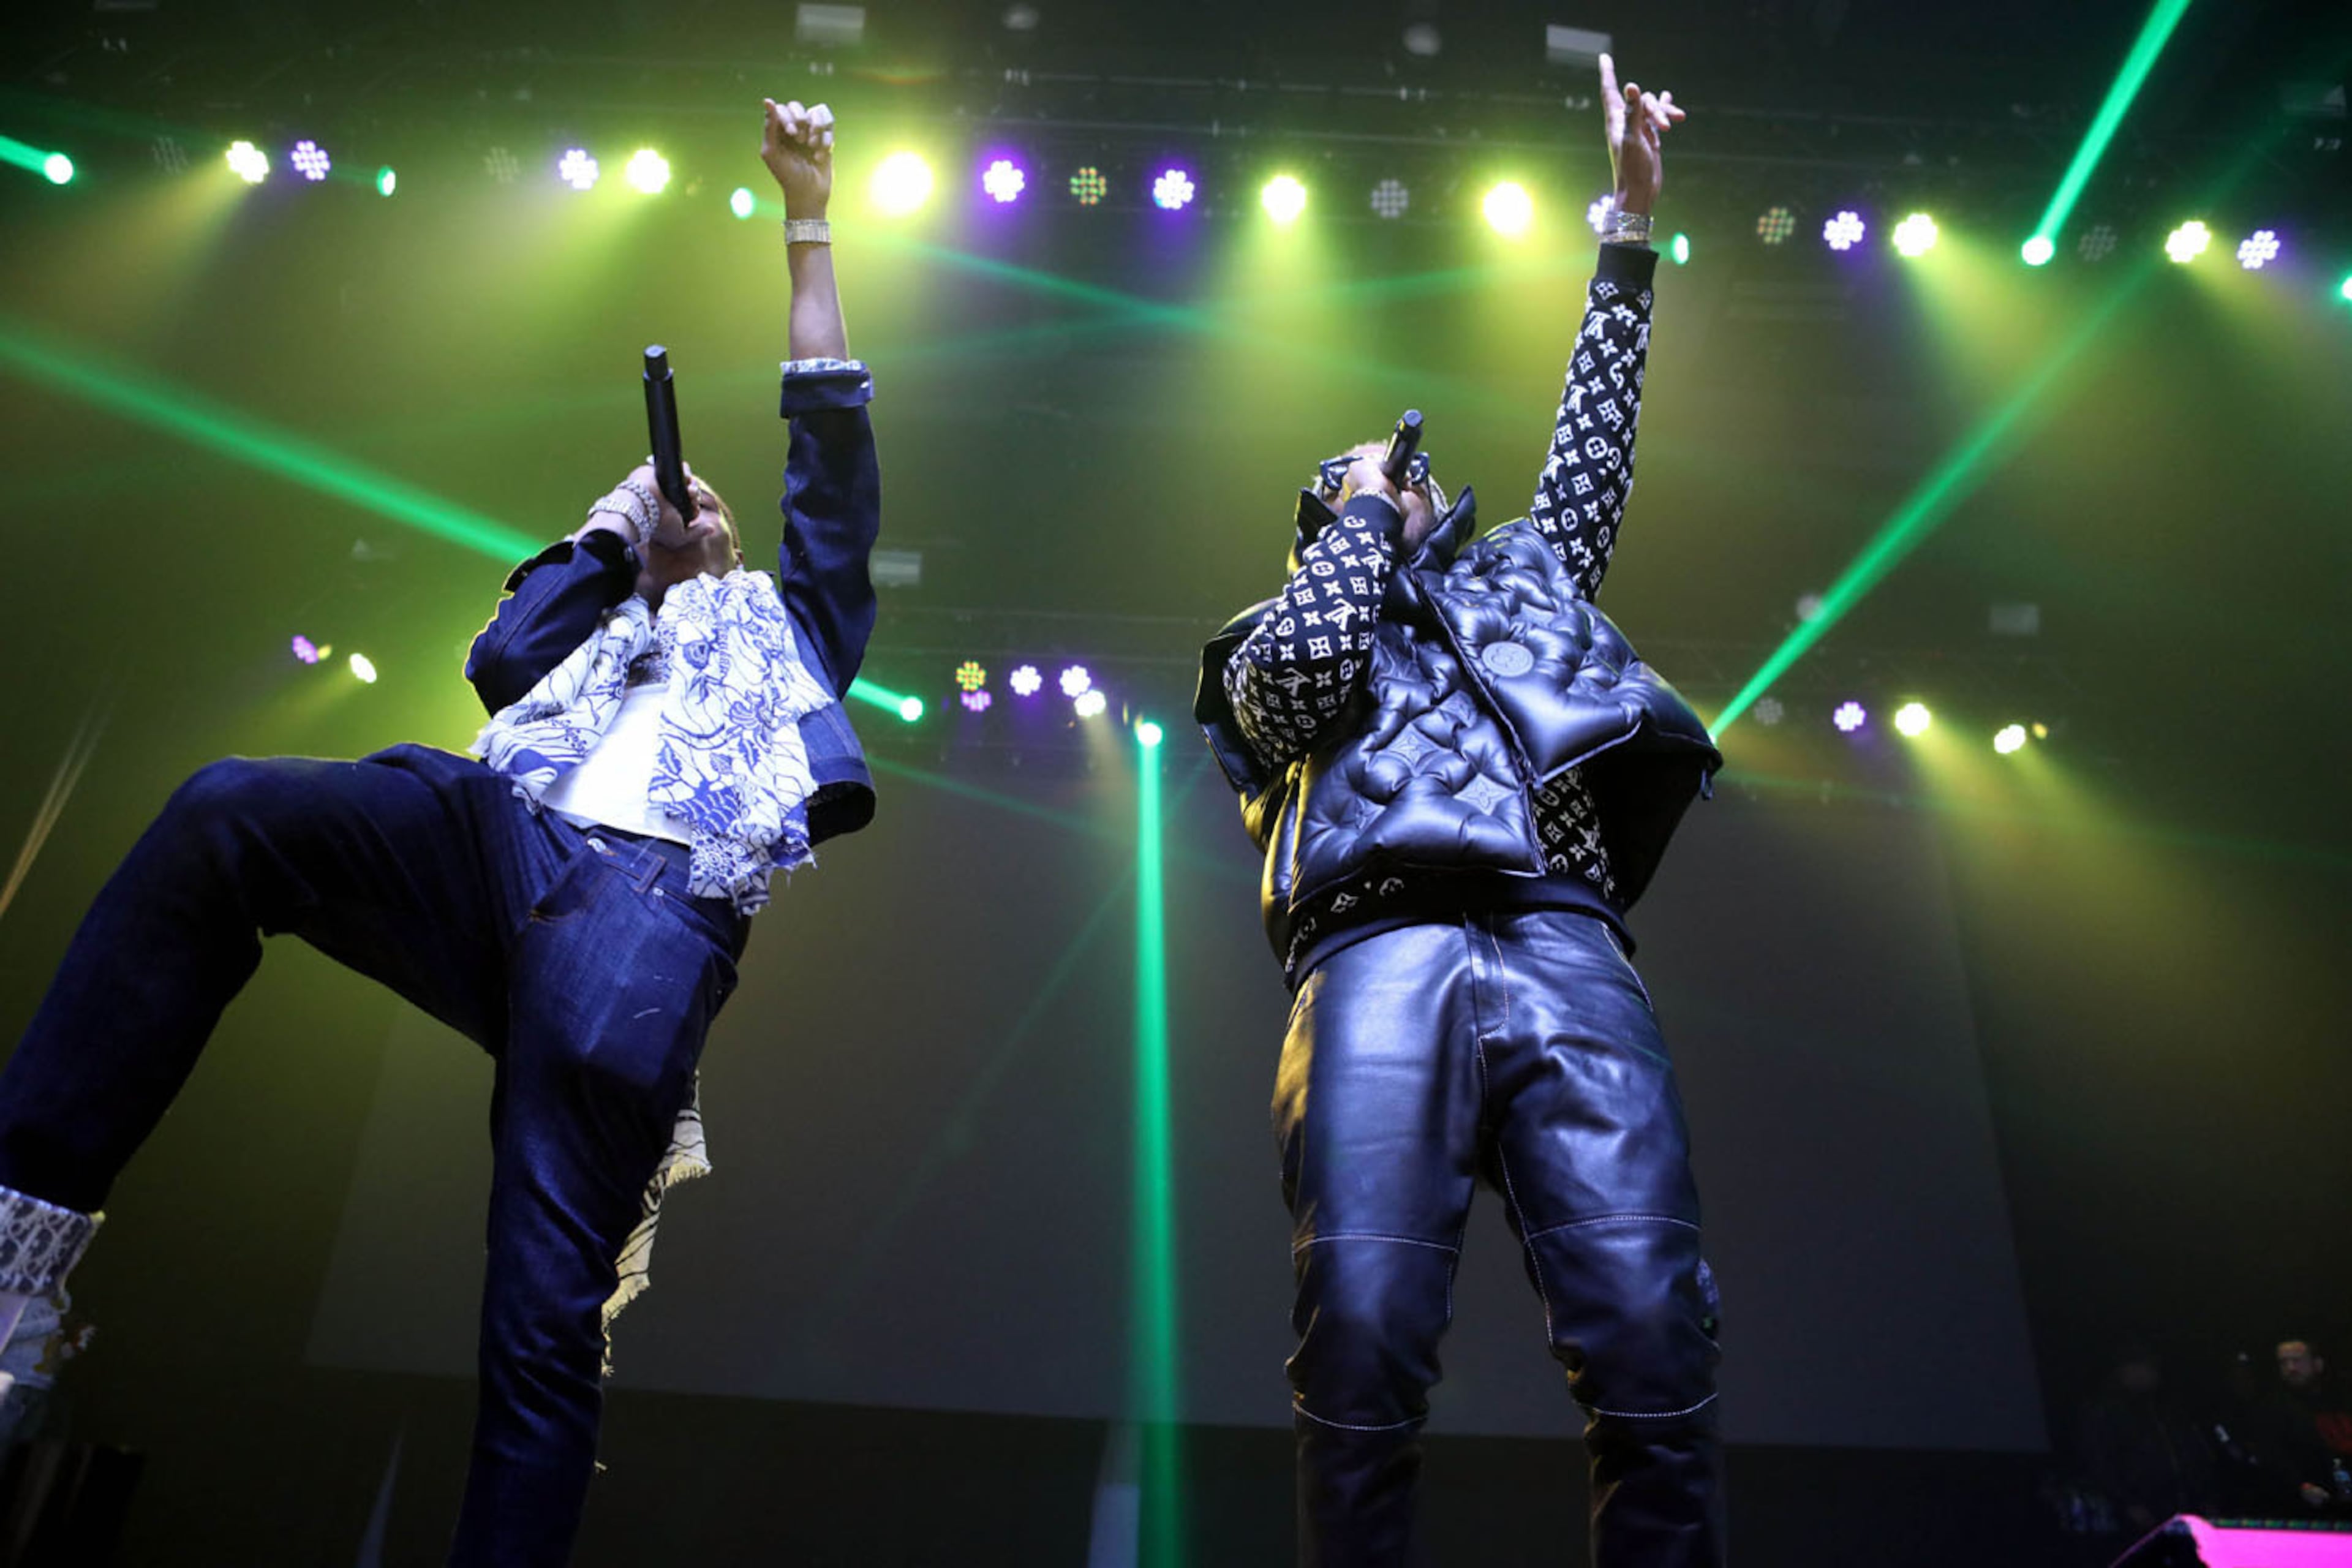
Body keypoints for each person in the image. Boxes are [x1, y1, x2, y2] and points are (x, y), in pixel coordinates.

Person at [0, 97, 875, 1566]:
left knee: (538, 1326)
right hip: (493, 840)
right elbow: (498, 659)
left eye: (708, 514)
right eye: (685, 503)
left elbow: (829, 436)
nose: (697, 513)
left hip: (640, 917)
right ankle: (20, 1269)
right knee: (226, 811)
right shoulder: (594, 630)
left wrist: (807, 214)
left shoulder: (789, 628)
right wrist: (607, 539)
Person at [1193, 54, 1724, 1568]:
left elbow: (1590, 457)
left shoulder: (1517, 582)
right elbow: (1298, 684)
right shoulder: (1271, 631)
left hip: (1560, 938)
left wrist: (1623, 228)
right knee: (1360, 1331)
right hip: (1374, 949)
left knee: (1648, 1331)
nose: (1406, 473)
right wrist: (1355, 515)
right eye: (1362, 473)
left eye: (1407, 470)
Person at [2252, 1336, 2352, 1515]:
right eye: (2284, 1363)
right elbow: (2272, 1456)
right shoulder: (2273, 1410)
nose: (2291, 1368)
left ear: (2318, 1364)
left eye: (2297, 1361)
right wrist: (2300, 1486)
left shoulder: (2342, 1400)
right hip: (2310, 1505)